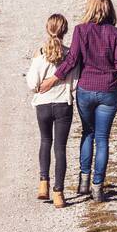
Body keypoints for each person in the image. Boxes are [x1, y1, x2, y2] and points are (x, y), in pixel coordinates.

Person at [39, 0, 117, 203]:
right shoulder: (116, 34)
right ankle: (98, 187)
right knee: (102, 139)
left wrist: (51, 81)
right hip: (108, 91)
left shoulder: (81, 31)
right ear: (109, 8)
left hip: (86, 90)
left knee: (87, 133)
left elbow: (71, 60)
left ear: (90, 8)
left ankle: (84, 180)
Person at [26, 14, 77, 208]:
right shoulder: (71, 54)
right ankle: (59, 193)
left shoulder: (39, 54)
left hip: (43, 105)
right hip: (63, 103)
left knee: (45, 141)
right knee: (60, 148)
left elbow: (32, 84)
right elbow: (75, 82)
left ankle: (43, 184)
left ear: (47, 29)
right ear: (65, 31)